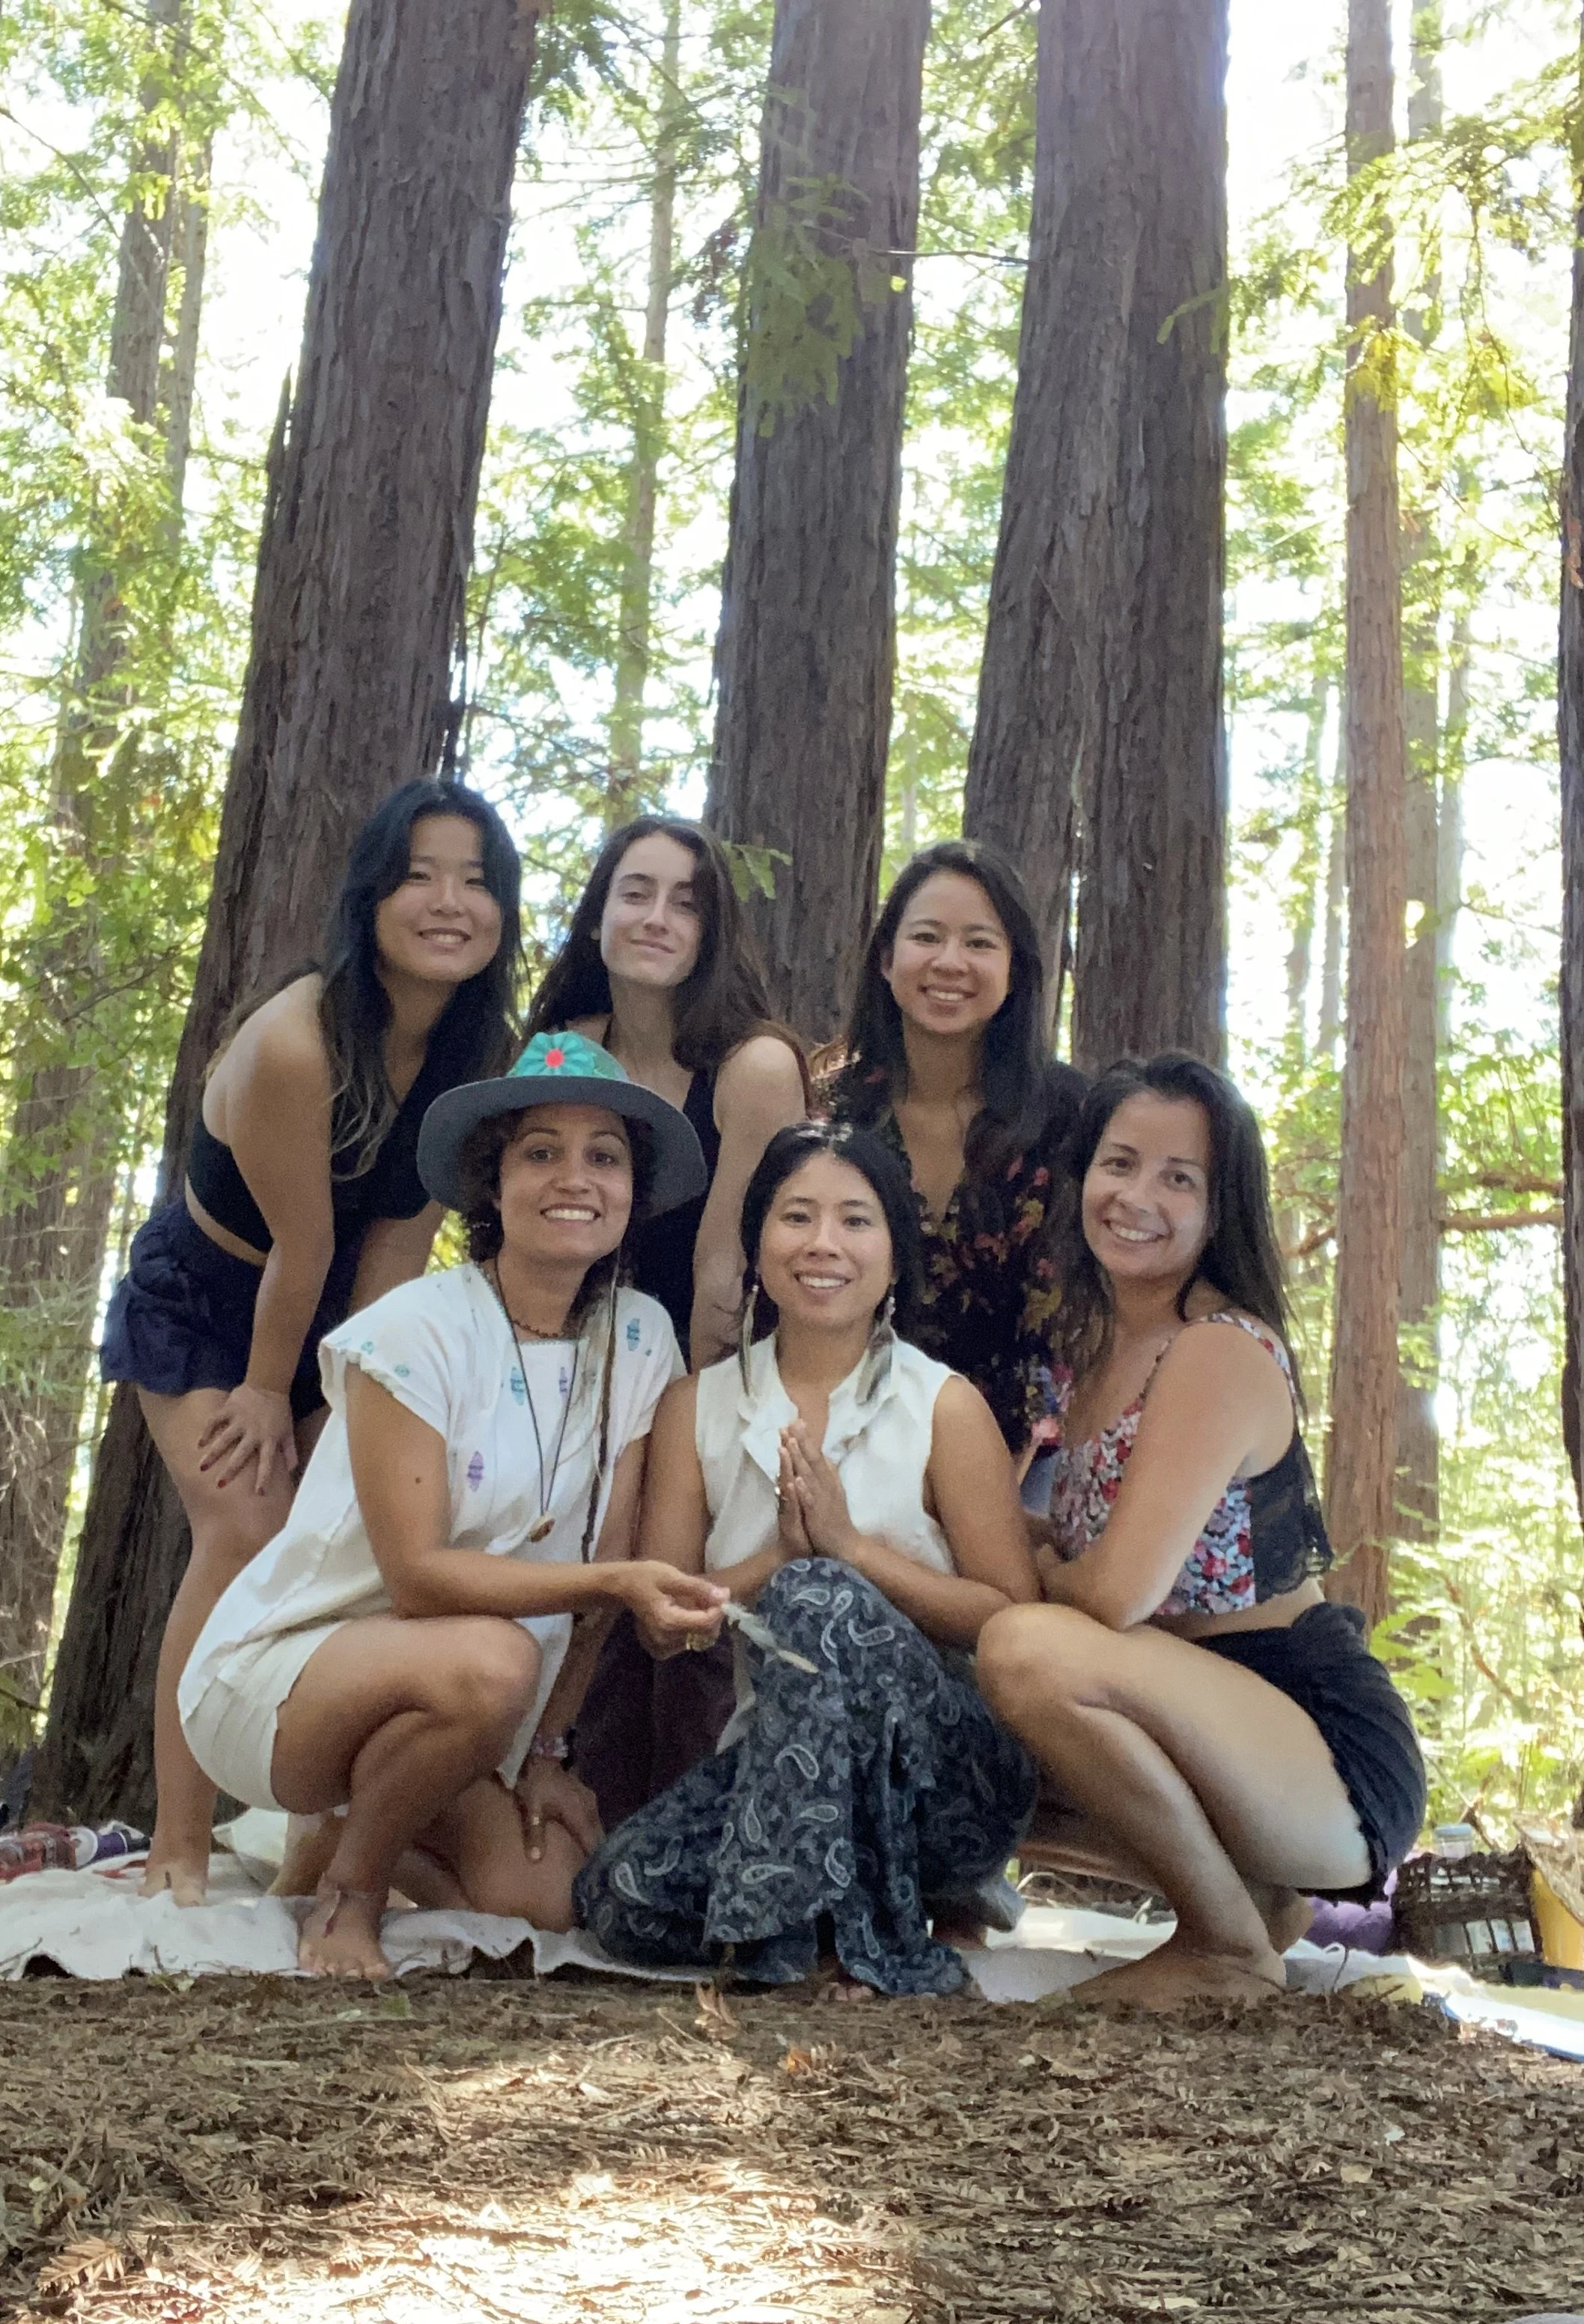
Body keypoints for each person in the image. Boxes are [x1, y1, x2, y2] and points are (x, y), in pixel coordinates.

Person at [175, 1030, 731, 1978]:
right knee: (490, 1659)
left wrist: (550, 1752)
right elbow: (418, 1577)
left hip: (478, 1699)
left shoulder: (640, 1337)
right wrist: (616, 1579)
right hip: (288, 1680)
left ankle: (338, 1835)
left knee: (545, 1903)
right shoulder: (413, 1332)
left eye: (605, 1157)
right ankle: (350, 1889)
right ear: (493, 1181)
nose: (575, 1178)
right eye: (541, 1152)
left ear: (633, 1191)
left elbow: (602, 1586)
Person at [100, 778, 523, 1905]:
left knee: (352, 1535)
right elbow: (300, 1244)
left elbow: (392, 1247)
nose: (449, 902)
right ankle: (178, 1844)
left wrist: (345, 1403)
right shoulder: (296, 1042)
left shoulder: (475, 1052)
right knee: (242, 1526)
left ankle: (316, 1840)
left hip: (336, 1307)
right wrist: (263, 1390)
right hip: (209, 1304)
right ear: (371, 896)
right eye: (420, 876)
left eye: (477, 882)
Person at [973, 1054, 1428, 2009]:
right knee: (968, 1739)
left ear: (1220, 1209)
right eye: (1119, 1163)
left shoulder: (1214, 1348)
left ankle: (1224, 1947)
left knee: (1022, 1650)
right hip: (1203, 1725)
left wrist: (1042, 1569)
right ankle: (1253, 1904)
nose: (1138, 1196)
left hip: (1318, 1746)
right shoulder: (1096, 1350)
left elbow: (1112, 1595)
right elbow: (1074, 1554)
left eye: (1178, 1178)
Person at [573, 1123, 1041, 1998]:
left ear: (895, 1257)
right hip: (778, 1777)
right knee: (620, 1893)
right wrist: (778, 1559)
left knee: (824, 1591)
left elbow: (1009, 1619)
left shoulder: (943, 1405)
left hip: (948, 1783)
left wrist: (849, 1552)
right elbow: (663, 1628)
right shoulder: (697, 1407)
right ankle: (829, 1918)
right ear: (757, 1245)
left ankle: (852, 1943)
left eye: (856, 1222)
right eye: (796, 1217)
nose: (823, 1244)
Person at [826, 842, 1084, 1463]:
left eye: (978, 942)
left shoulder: (1072, 1115)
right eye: (926, 937)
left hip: (1029, 1456)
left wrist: (996, 1502)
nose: (949, 962)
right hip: (849, 1439)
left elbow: (1083, 1321)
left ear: (1016, 969)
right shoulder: (831, 1110)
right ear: (886, 960)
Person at [526, 814, 808, 1365]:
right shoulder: (560, 1052)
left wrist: (687, 1430)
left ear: (711, 936)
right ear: (595, 919)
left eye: (686, 905)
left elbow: (726, 1280)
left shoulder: (755, 1070)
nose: (657, 920)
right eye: (635, 894)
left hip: (698, 1371)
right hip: (552, 1363)